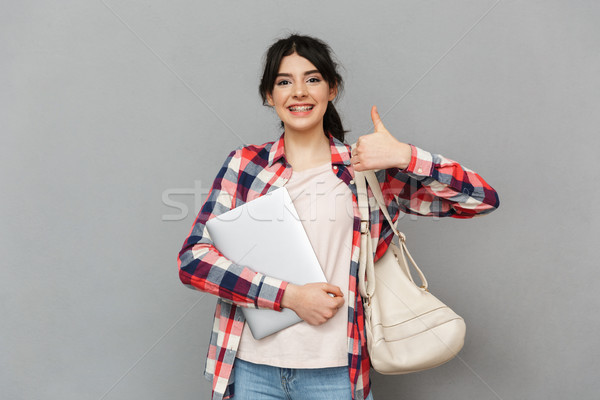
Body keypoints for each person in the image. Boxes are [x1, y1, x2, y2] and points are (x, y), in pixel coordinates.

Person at [177, 34, 499, 400]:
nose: (299, 91)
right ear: (269, 95)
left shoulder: (368, 171)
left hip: (335, 371)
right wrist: (289, 296)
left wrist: (405, 156)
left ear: (332, 89)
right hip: (252, 368)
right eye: (285, 81)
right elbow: (193, 261)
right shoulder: (245, 165)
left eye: (312, 79)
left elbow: (480, 199)